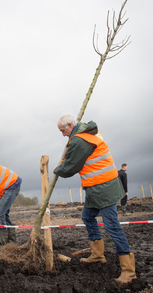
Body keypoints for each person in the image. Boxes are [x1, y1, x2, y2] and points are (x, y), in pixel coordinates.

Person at [53, 114, 136, 286]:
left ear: (70, 125)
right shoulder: (87, 132)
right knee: (88, 216)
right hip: (95, 188)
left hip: (104, 188)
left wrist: (58, 169)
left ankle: (129, 271)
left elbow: (70, 168)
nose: (62, 134)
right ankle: (98, 255)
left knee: (112, 227)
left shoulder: (79, 140)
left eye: (63, 130)